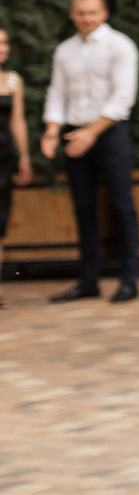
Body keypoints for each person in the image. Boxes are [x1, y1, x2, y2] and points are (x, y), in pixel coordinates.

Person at [43, 0, 139, 304]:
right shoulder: (64, 51)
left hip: (110, 134)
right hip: (74, 134)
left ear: (105, 13)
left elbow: (123, 98)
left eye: (92, 12)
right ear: (72, 15)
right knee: (83, 210)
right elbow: (57, 93)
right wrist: (52, 130)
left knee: (122, 206)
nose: (86, 18)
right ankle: (88, 282)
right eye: (81, 13)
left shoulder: (121, 46)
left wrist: (91, 132)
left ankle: (129, 281)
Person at [0, 26, 27, 309]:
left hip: (3, 159)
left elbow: (17, 121)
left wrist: (25, 157)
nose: (2, 48)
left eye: (5, 43)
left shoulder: (13, 80)